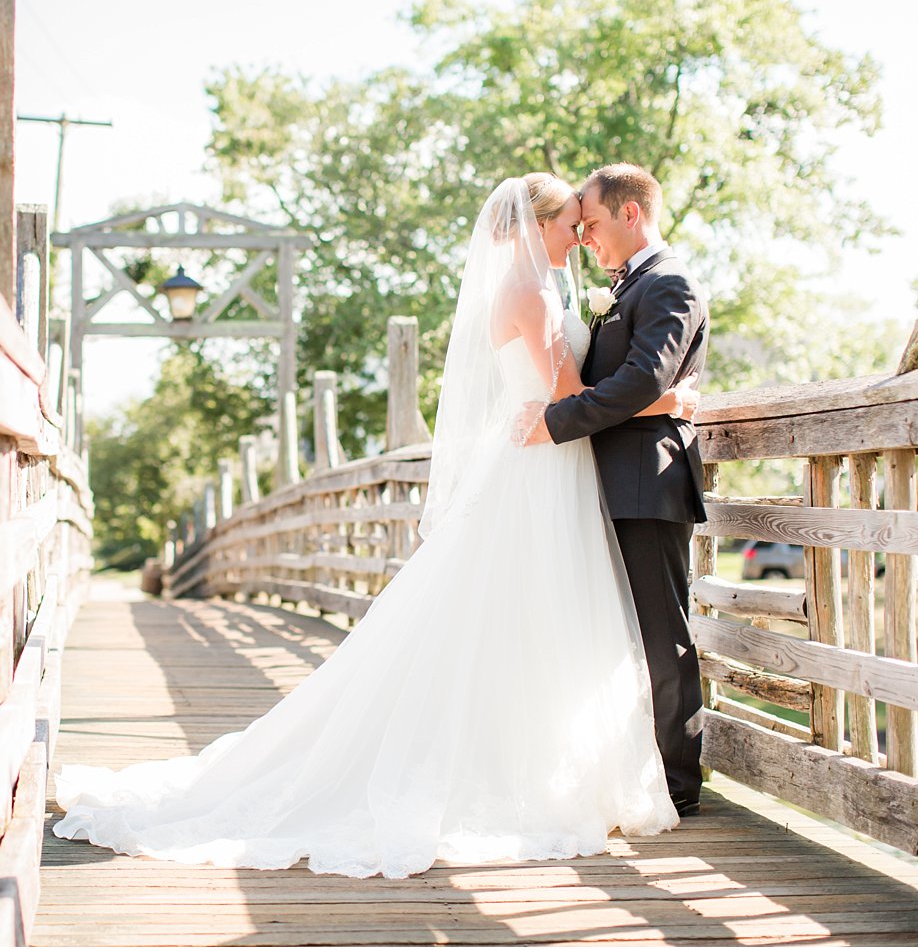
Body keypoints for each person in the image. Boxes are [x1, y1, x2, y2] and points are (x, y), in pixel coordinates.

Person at [51, 173, 697, 880]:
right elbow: (567, 397)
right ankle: (538, 769)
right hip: (542, 469)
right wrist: (674, 396)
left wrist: (638, 392)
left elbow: (572, 394)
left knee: (525, 621)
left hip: (549, 466)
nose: (581, 235)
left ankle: (547, 760)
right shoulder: (534, 293)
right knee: (533, 619)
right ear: (535, 224)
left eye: (587, 222)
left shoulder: (541, 289)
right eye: (572, 223)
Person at [515, 163, 710, 818]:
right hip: (606, 479)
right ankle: (627, 770)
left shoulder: (671, 283)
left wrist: (554, 422)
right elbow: (634, 387)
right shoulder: (624, 286)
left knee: (661, 634)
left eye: (592, 223)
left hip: (646, 483)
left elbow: (639, 378)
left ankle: (678, 782)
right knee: (613, 634)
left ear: (632, 214)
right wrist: (662, 402)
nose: (586, 238)